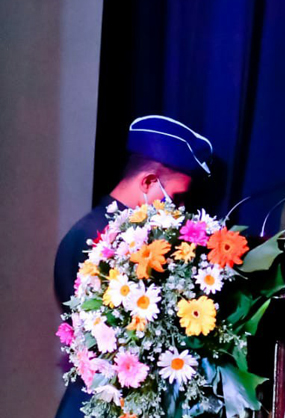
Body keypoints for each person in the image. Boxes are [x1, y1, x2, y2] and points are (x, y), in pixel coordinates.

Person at [54, 115, 213, 418]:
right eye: (176, 198)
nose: (180, 210)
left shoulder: (92, 230)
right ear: (149, 182)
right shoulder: (102, 241)